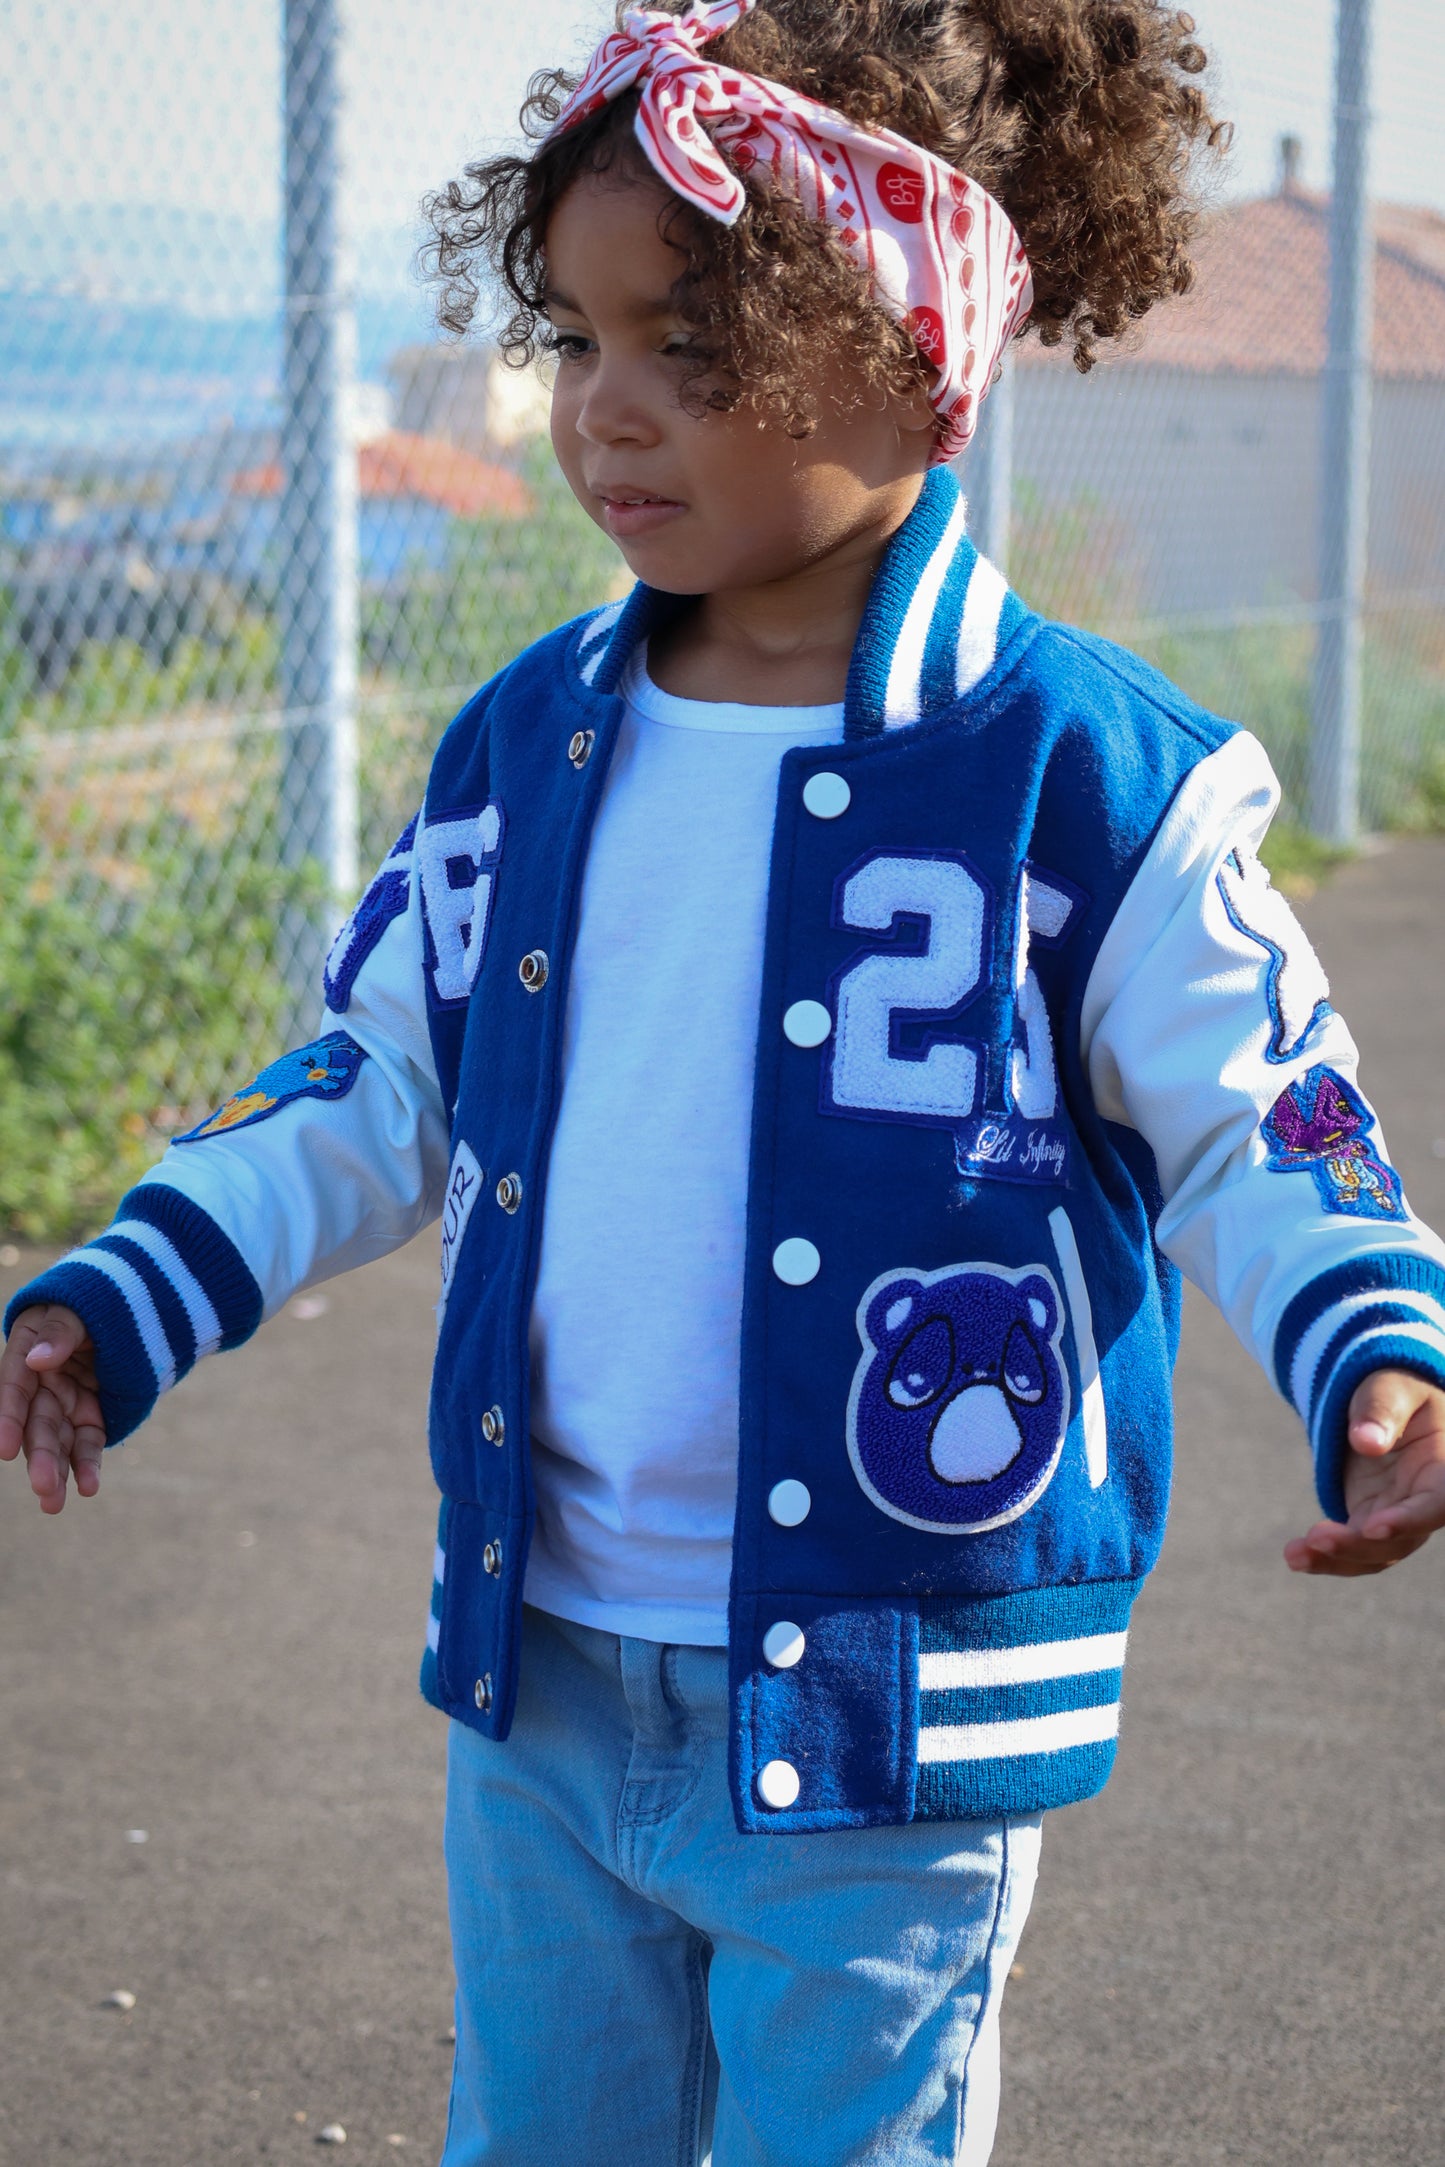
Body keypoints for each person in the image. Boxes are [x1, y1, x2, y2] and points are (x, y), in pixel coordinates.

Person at [4, 2, 1445, 2160]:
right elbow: (380, 1070)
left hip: (891, 1725)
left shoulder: (1080, 779)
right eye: (573, 340)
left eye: (686, 342)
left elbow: (1271, 1108)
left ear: (914, 349)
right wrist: (126, 1288)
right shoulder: (525, 748)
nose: (602, 410)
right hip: (544, 1679)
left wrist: (1379, 1347)